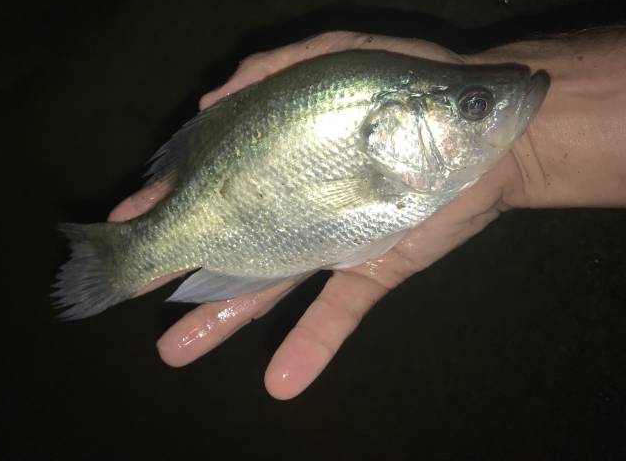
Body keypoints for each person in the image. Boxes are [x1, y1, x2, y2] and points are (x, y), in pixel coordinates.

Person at [108, 28, 626, 400]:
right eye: (474, 106)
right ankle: (126, 258)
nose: (491, 108)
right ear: (394, 127)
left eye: (475, 105)